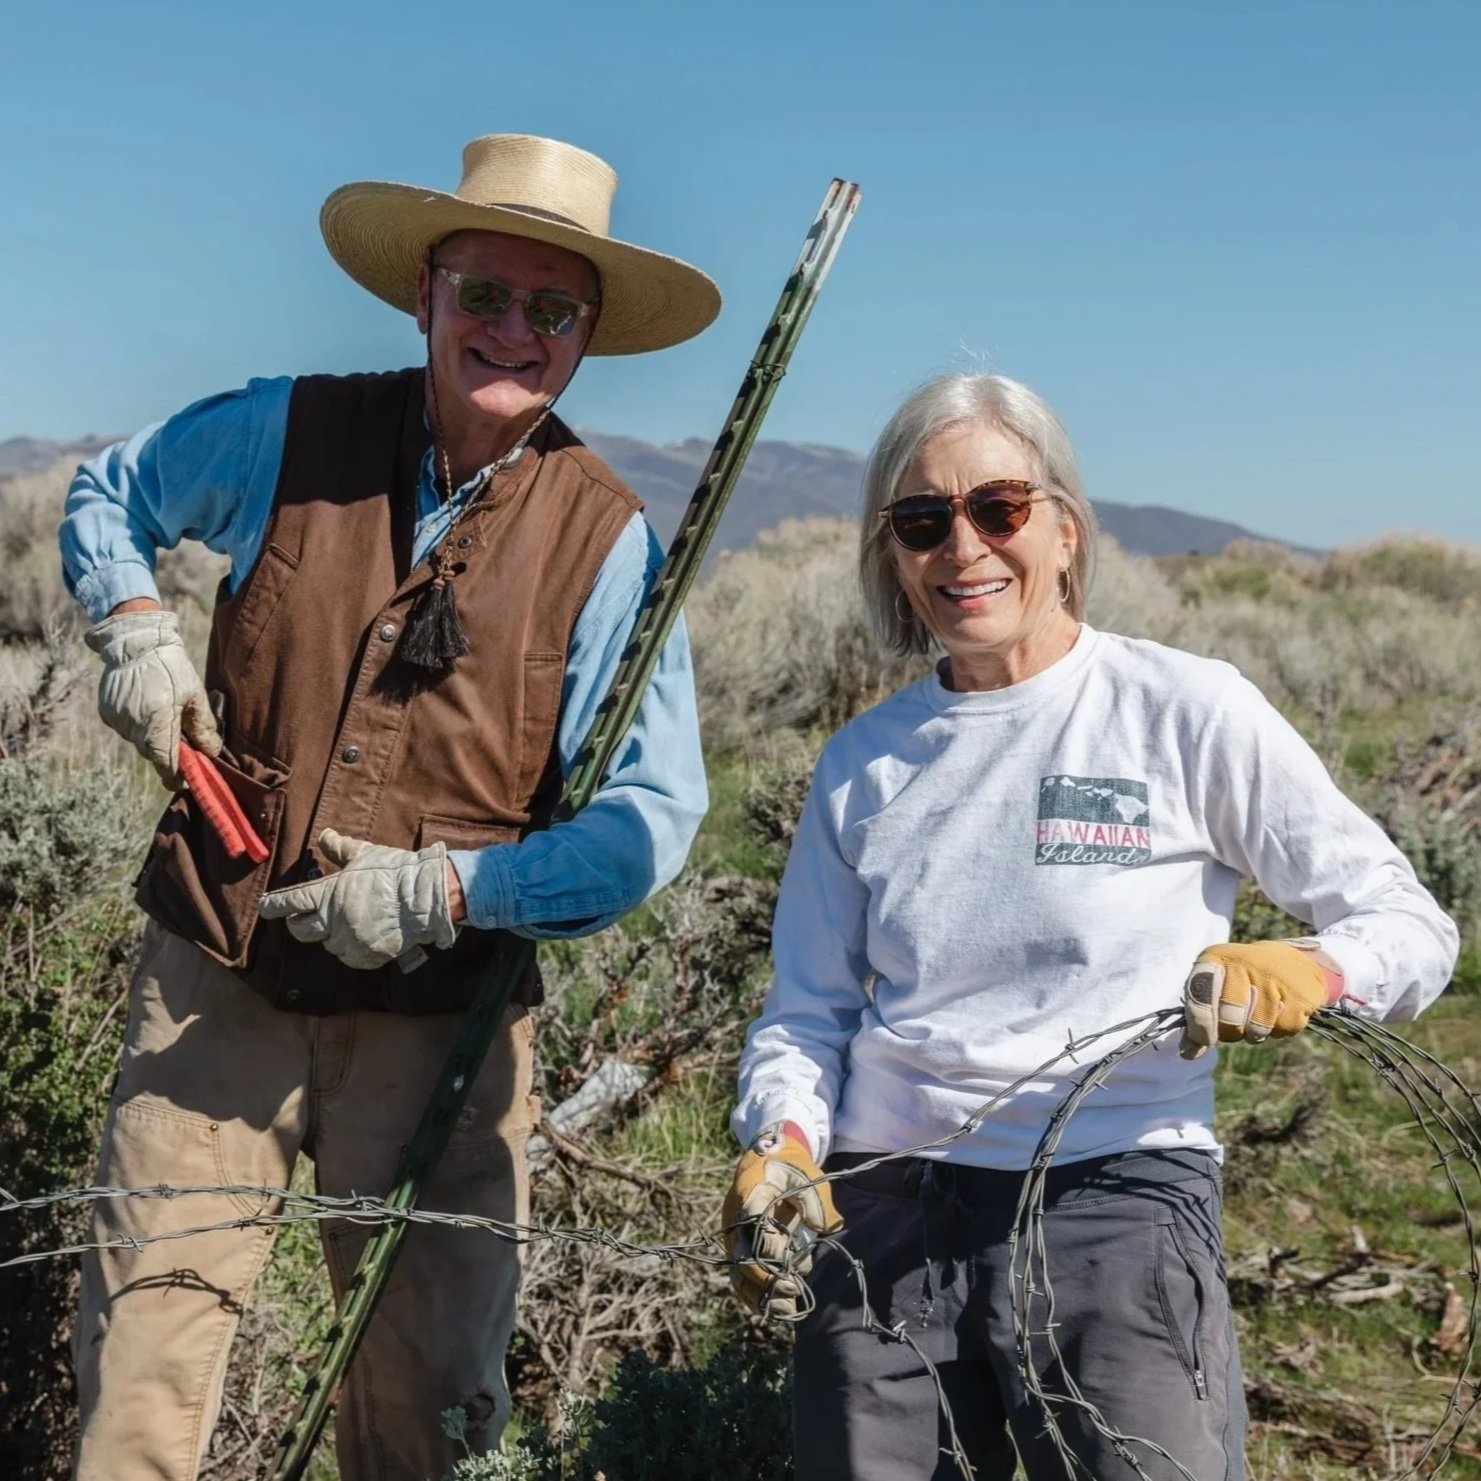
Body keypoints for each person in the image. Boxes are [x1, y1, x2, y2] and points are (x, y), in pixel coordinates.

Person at [60, 132, 719, 1481]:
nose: (514, 331)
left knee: (427, 1419)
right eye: (485, 293)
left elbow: (650, 820)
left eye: (553, 309)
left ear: (586, 337)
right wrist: (132, 627)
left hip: (442, 1039)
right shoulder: (286, 431)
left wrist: (449, 891)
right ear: (424, 292)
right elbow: (110, 493)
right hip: (215, 991)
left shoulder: (608, 547)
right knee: (137, 1388)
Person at [724, 373, 1458, 1480]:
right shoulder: (861, 761)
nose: (962, 547)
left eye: (998, 508)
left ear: (1064, 528)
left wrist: (1312, 969)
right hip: (881, 1211)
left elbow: (1406, 920)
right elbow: (806, 1013)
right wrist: (781, 1137)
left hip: (1115, 1194)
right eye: (921, 519)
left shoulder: (1183, 709)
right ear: (893, 554)